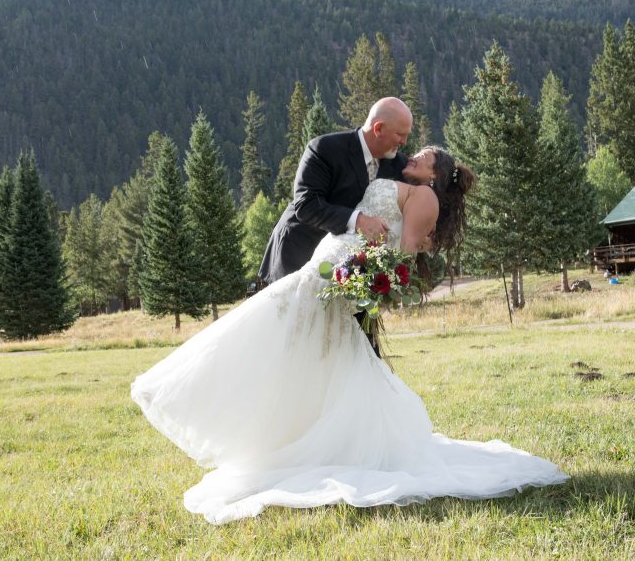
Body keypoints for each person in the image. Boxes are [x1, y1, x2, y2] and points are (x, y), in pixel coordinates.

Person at [132, 146, 569, 525]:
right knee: (309, 347)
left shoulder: (424, 197)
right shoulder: (406, 183)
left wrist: (366, 275)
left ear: (434, 174)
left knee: (274, 323)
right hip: (331, 263)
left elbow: (404, 251)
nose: (413, 155)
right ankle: (293, 432)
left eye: (424, 157)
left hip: (342, 270)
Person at [260, 97, 412, 356]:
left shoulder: (396, 163)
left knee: (361, 346)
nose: (404, 142)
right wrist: (358, 220)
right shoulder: (324, 148)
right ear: (378, 129)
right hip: (300, 251)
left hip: (355, 267)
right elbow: (306, 205)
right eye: (400, 134)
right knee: (297, 341)